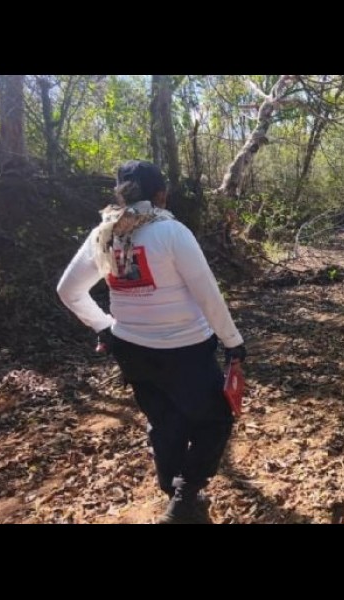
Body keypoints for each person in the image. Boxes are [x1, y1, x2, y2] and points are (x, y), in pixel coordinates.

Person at [57, 160, 247, 524]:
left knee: (164, 421)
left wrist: (104, 326)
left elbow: (68, 290)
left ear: (120, 194)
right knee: (215, 420)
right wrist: (232, 341)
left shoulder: (104, 234)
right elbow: (207, 294)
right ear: (161, 194)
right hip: (186, 350)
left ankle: (176, 496)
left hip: (131, 351)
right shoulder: (172, 232)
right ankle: (185, 497)